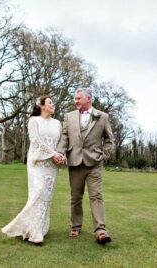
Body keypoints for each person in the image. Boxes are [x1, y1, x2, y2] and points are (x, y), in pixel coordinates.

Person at [54, 88, 114, 244]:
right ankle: (75, 226)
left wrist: (103, 156)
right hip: (75, 162)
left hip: (94, 163)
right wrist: (60, 153)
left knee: (96, 196)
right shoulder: (68, 116)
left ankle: (101, 230)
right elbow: (64, 137)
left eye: (79, 98)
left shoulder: (103, 117)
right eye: (75, 98)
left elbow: (109, 140)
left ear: (89, 99)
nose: (76, 101)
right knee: (75, 198)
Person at [1, 96, 63, 245]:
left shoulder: (57, 123)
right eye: (50, 102)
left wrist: (60, 155)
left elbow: (61, 142)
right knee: (38, 192)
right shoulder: (33, 121)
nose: (53, 104)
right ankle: (34, 233)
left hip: (52, 165)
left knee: (46, 197)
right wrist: (53, 153)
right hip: (37, 162)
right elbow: (36, 141)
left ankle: (39, 228)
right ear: (42, 106)